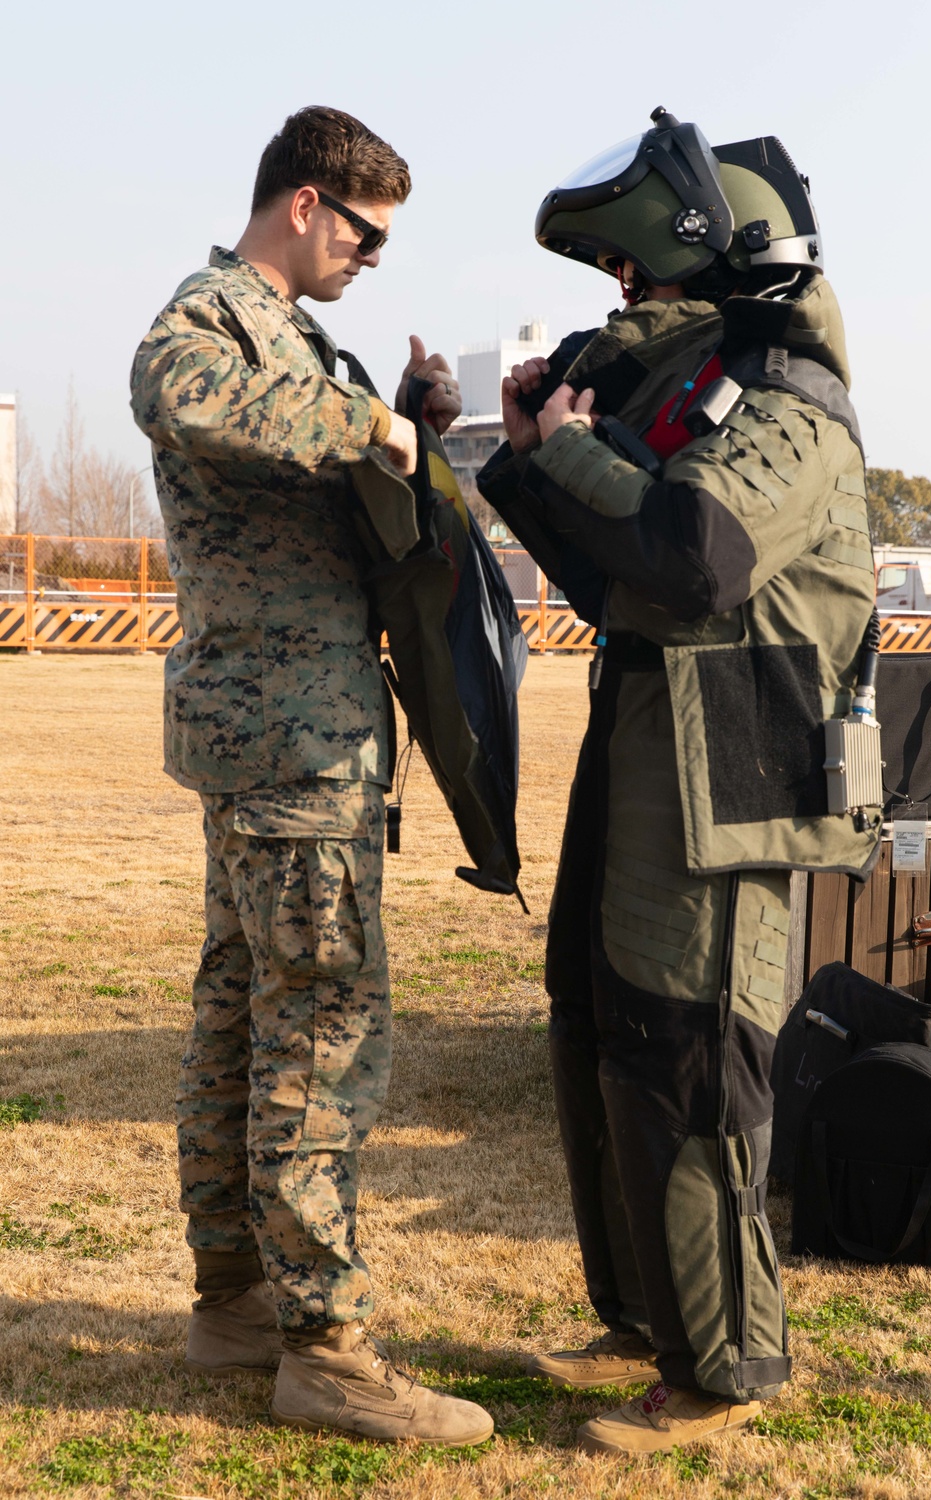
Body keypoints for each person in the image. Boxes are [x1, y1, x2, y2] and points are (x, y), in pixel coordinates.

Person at [478, 109, 882, 1454]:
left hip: (735, 772)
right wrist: (534, 454)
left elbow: (697, 554)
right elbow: (614, 576)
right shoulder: (703, 392)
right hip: (655, 737)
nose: (627, 296)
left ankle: (723, 1370)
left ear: (729, 253)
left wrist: (575, 454)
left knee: (691, 1060)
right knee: (602, 1025)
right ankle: (653, 1315)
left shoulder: (790, 406)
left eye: (641, 273)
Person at [130, 105, 492, 1448]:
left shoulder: (283, 335)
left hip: (279, 735)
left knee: (241, 1014)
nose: (371, 262)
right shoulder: (213, 319)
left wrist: (406, 423)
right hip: (288, 747)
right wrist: (370, 426)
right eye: (366, 237)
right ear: (304, 203)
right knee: (320, 1030)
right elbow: (174, 389)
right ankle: (326, 1350)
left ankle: (231, 1303)